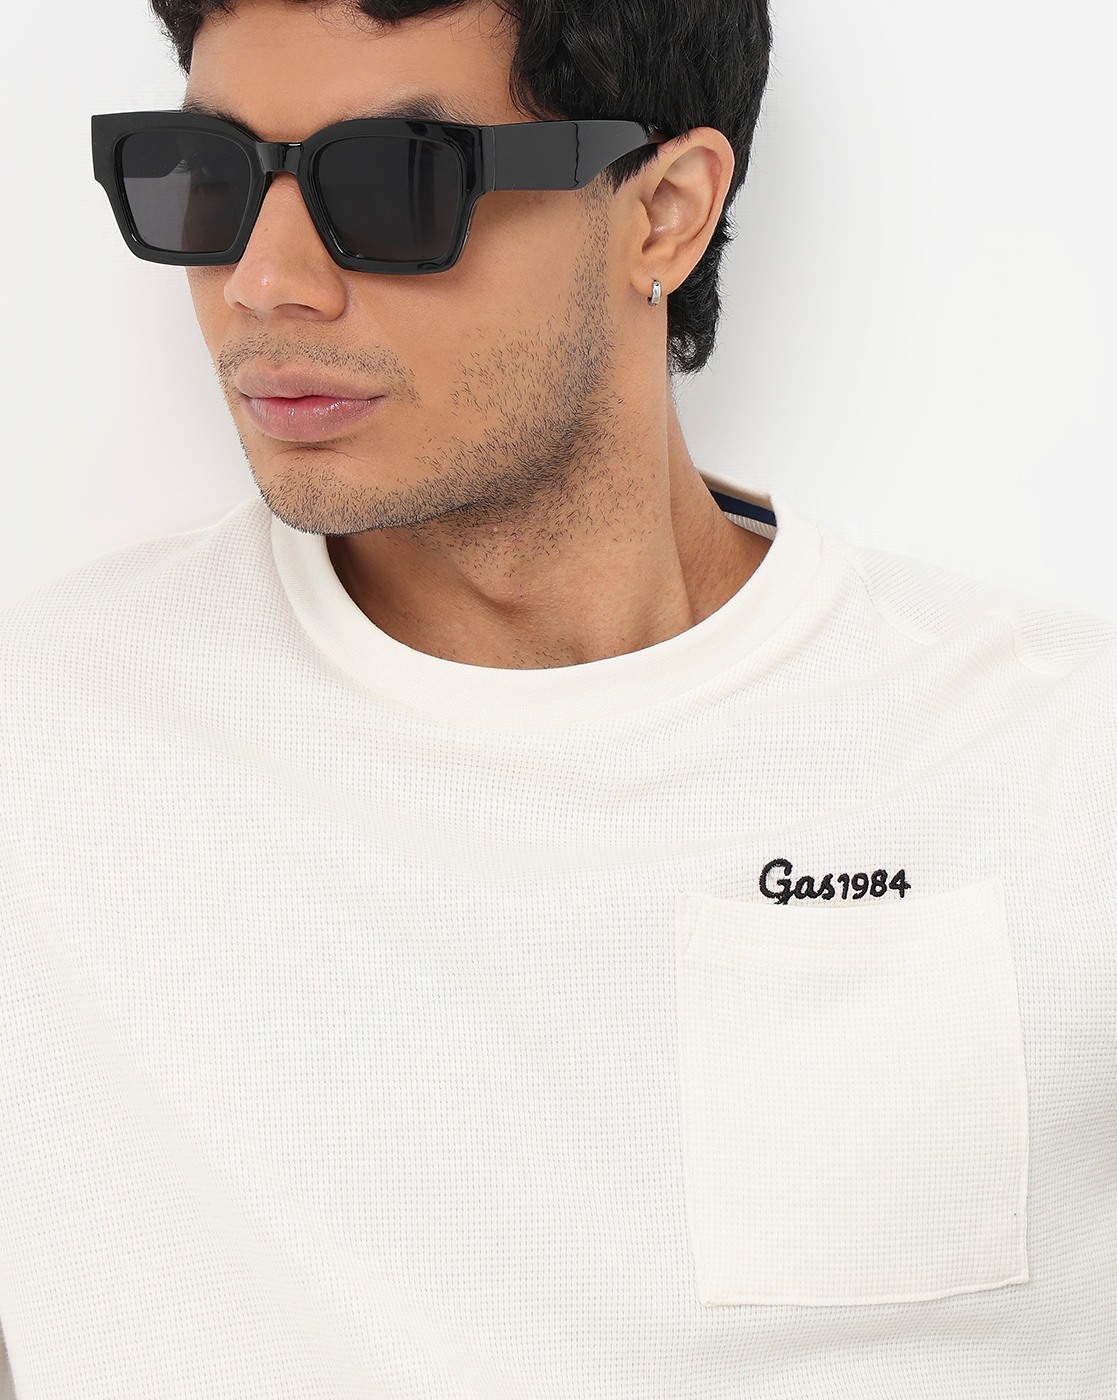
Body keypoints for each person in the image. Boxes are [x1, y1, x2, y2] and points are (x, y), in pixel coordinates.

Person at [0, 0, 1113, 1395]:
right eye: (208, 178)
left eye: (393, 183)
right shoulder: (39, 757)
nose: (264, 282)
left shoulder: (1058, 759)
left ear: (663, 213)